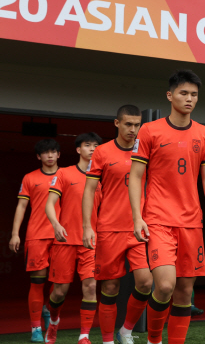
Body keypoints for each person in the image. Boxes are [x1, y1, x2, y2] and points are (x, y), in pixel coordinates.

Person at [129, 70, 205, 344]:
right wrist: (137, 217)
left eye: (194, 94)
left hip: (192, 222)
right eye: (183, 93)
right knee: (165, 285)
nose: (189, 98)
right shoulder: (149, 130)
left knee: (184, 292)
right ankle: (154, 339)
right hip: (158, 219)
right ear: (170, 96)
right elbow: (135, 176)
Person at [82, 105, 153, 344]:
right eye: (128, 124)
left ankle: (126, 331)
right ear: (116, 123)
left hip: (138, 228)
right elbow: (90, 190)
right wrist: (87, 226)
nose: (133, 129)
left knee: (145, 282)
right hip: (109, 228)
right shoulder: (101, 152)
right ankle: (107, 340)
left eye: (137, 125)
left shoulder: (145, 150)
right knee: (110, 288)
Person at [44, 133, 104, 344]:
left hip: (90, 243)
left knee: (90, 287)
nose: (92, 149)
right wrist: (56, 224)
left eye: (96, 146)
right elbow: (49, 204)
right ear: (78, 150)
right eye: (88, 145)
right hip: (65, 241)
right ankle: (53, 321)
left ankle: (84, 336)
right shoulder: (64, 173)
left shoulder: (102, 177)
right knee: (59, 292)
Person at [10, 139, 61, 343]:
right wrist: (15, 233)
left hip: (61, 236)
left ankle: (49, 312)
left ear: (59, 155)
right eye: (45, 153)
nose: (49, 155)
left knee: (59, 283)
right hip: (37, 235)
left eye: (53, 152)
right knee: (38, 282)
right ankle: (35, 329)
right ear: (38, 156)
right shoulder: (30, 178)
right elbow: (21, 207)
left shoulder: (67, 175)